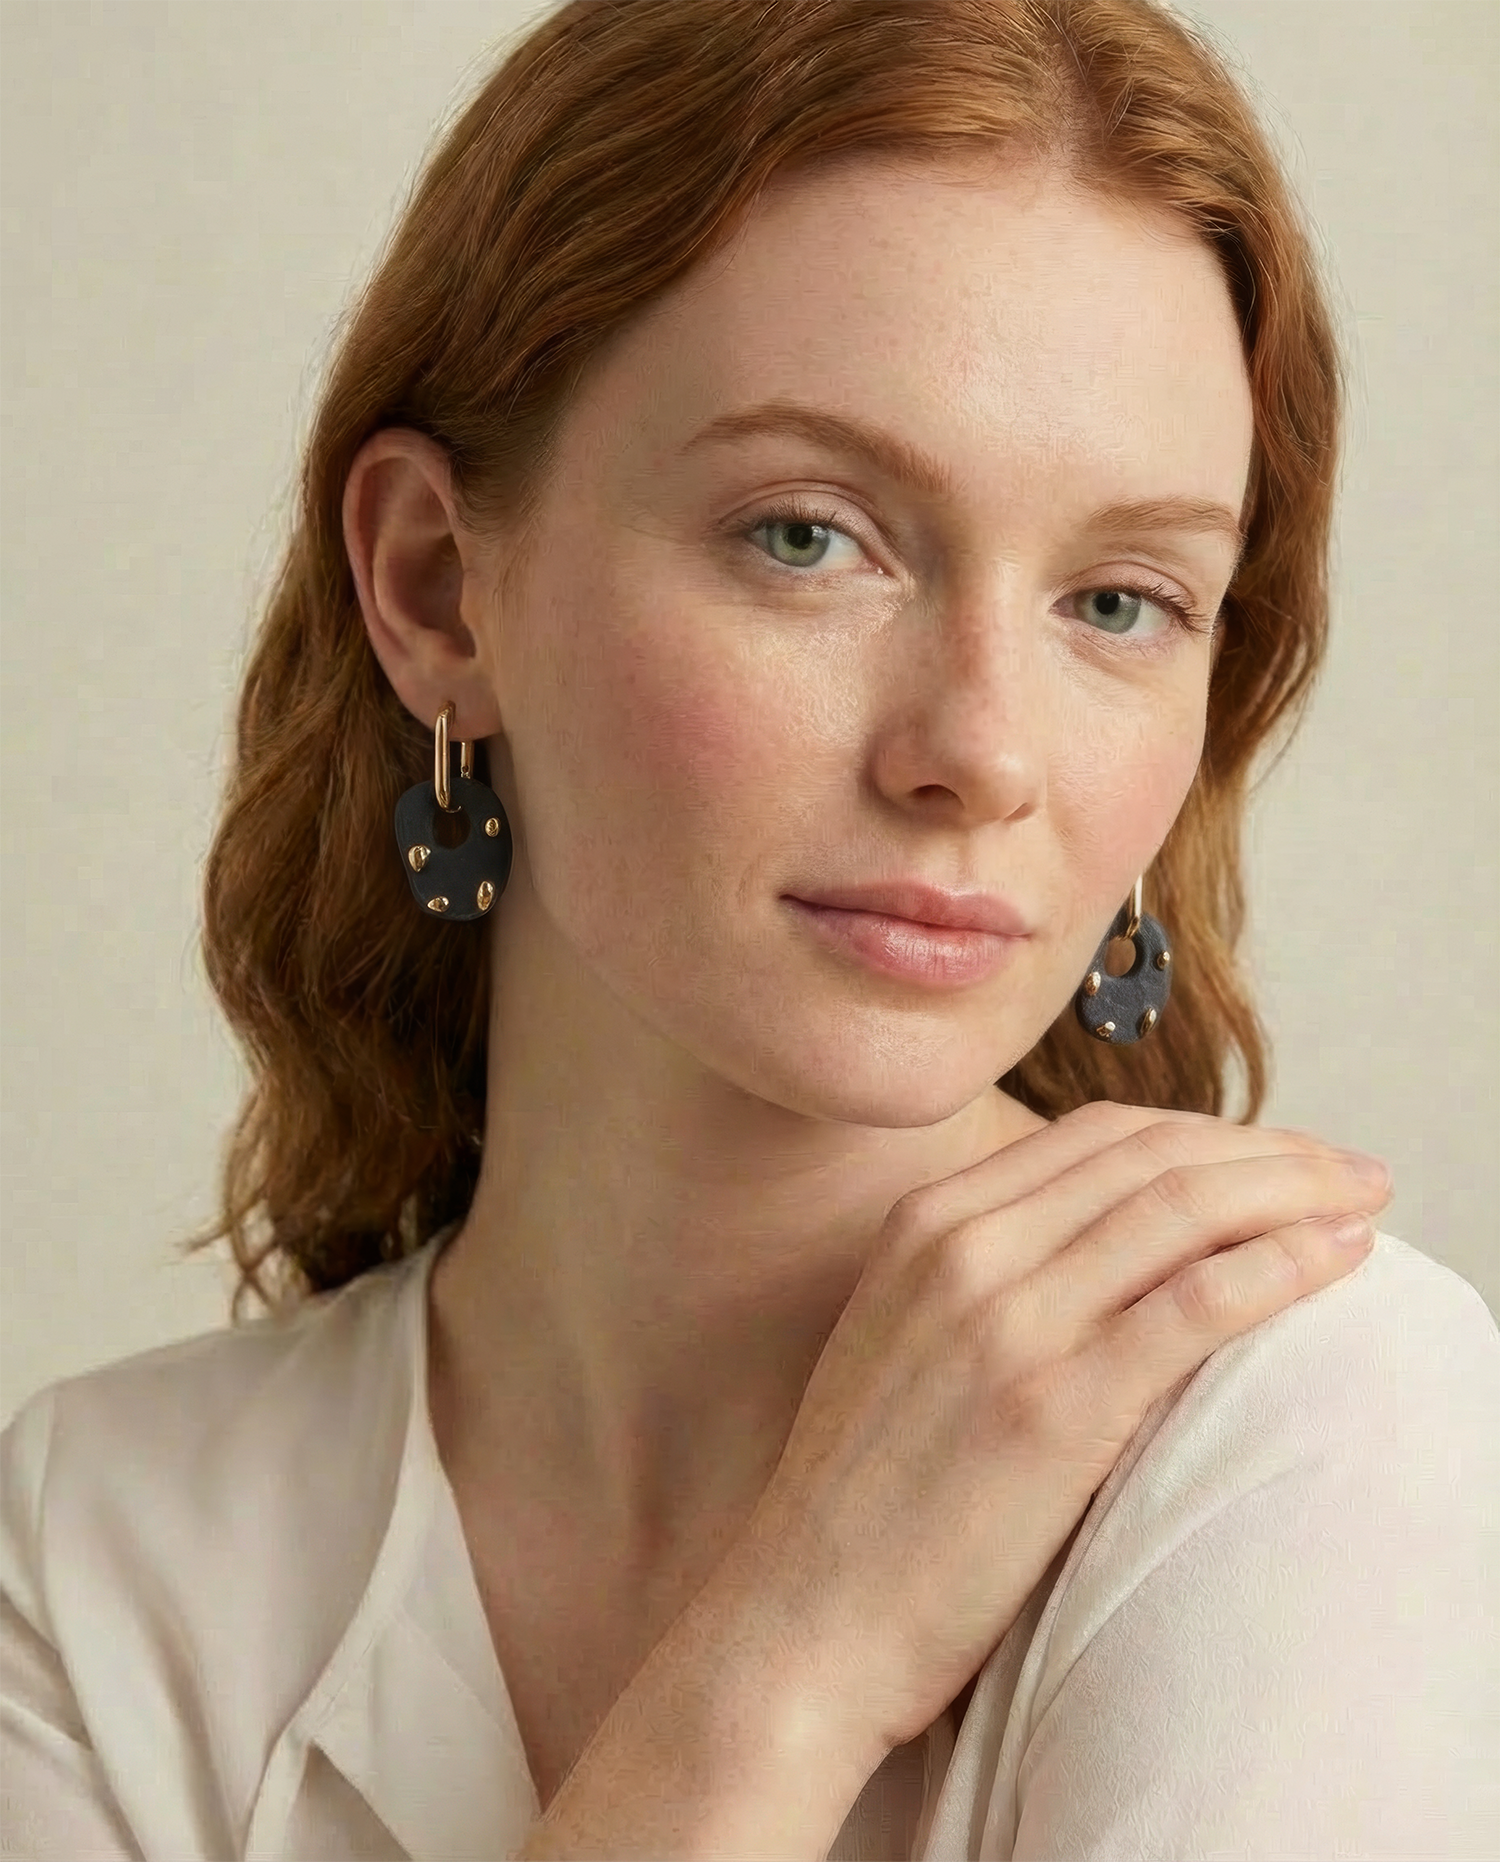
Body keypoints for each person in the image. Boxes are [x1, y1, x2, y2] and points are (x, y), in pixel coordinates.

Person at [2, 0, 1497, 1857]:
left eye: (1120, 600)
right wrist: (800, 1648)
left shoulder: (1306, 1417)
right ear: (438, 587)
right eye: (808, 535)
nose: (982, 752)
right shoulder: (95, 1547)